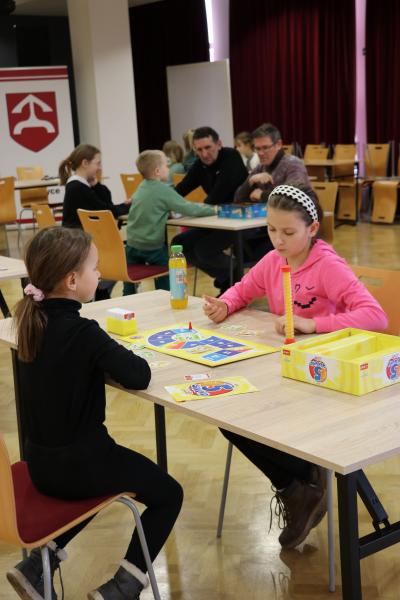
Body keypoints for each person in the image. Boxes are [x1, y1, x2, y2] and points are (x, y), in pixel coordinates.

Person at [203, 183, 387, 550]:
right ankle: (298, 487)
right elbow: (243, 288)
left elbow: (375, 316)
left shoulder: (327, 265)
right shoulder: (275, 260)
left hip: (322, 379)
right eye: (271, 229)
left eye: (288, 232)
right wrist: (225, 304)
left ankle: (302, 482)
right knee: (227, 414)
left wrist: (313, 324)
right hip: (285, 369)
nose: (278, 240)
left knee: (246, 415)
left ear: (312, 228)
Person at [7, 227, 183, 600]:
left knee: (99, 482)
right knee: (169, 494)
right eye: (94, 268)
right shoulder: (83, 332)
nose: (100, 274)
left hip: (40, 464)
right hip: (80, 466)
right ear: (72, 281)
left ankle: (38, 566)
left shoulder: (29, 323)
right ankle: (125, 586)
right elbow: (139, 374)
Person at [123, 150, 215, 295]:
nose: (169, 169)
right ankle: (166, 296)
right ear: (157, 171)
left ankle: (126, 298)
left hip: (132, 244)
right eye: (166, 165)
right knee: (168, 271)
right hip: (152, 247)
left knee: (129, 279)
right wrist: (214, 210)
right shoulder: (162, 190)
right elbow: (189, 208)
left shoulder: (141, 186)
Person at [172, 126, 248, 295]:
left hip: (241, 222)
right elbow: (181, 189)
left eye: (208, 147)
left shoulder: (231, 157)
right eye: (199, 150)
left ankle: (234, 276)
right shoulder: (200, 164)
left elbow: (217, 195)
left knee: (204, 249)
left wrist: (194, 209)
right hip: (215, 221)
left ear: (219, 144)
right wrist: (158, 200)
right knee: (179, 244)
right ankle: (227, 277)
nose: (204, 154)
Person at [234, 123, 310, 203]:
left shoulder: (293, 164)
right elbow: (237, 199)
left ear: (278, 145)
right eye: (258, 149)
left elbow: (293, 199)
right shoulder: (260, 167)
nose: (260, 153)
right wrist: (250, 181)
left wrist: (262, 195)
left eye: (265, 147)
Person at [60, 144, 130, 229]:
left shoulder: (81, 185)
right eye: (98, 163)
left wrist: (96, 185)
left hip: (82, 234)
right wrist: (130, 206)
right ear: (85, 163)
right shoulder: (77, 187)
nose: (100, 168)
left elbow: (107, 203)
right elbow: (107, 212)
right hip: (78, 236)